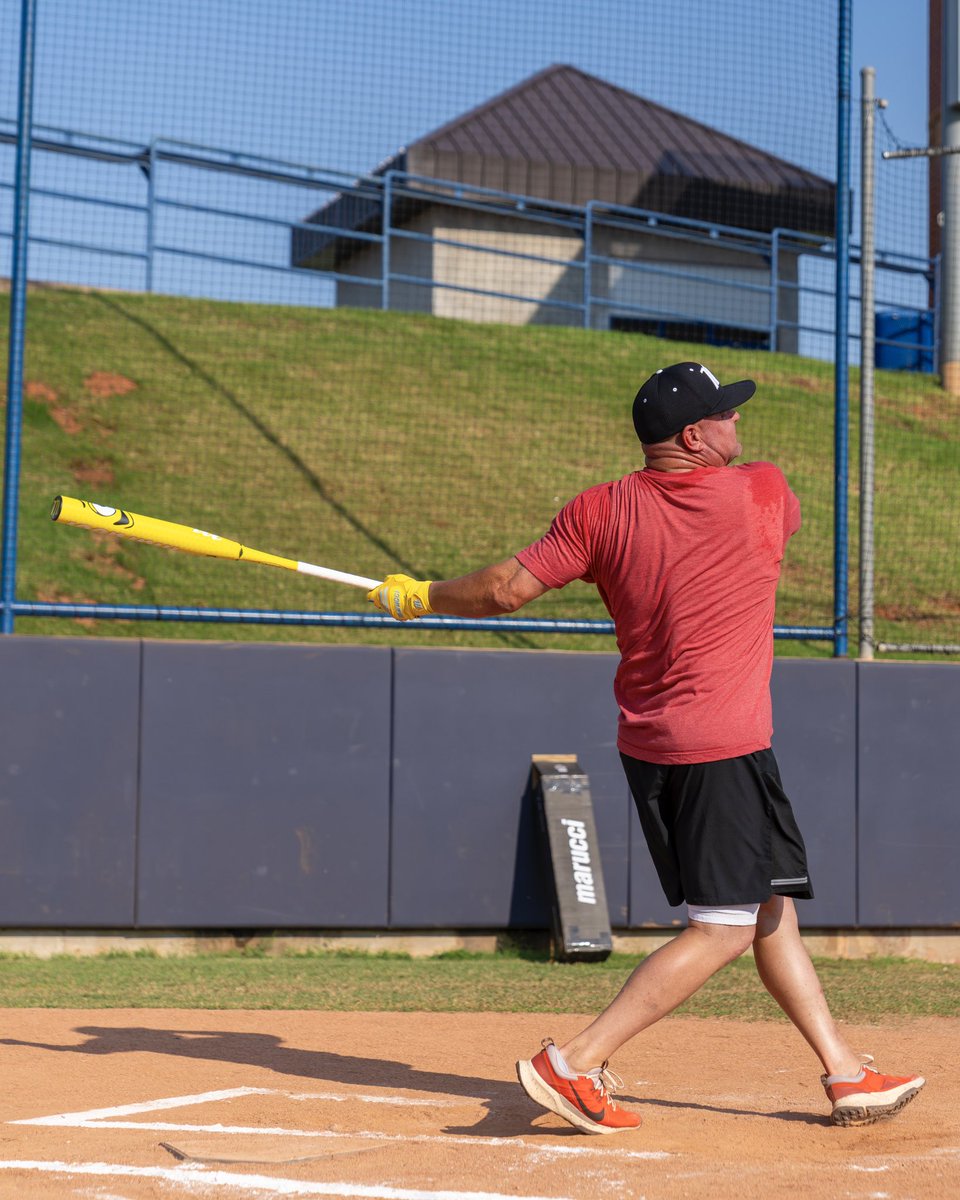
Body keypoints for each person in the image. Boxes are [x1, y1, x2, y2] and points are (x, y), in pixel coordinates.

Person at [367, 361, 925, 1134]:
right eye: (724, 415)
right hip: (721, 748)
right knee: (723, 926)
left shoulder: (599, 510)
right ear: (694, 436)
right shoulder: (762, 491)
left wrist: (420, 597)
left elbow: (504, 591)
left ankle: (845, 1072)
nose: (738, 424)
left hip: (655, 743)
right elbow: (762, 516)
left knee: (767, 909)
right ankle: (575, 1063)